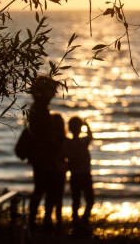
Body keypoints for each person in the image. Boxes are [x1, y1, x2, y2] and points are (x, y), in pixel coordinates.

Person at [25, 75, 59, 232]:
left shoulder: (36, 108)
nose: (54, 94)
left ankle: (37, 221)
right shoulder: (40, 110)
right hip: (44, 157)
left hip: (40, 157)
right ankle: (41, 222)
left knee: (42, 188)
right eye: (52, 91)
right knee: (47, 189)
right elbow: (45, 137)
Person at [61, 116, 94, 226]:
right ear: (80, 128)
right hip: (85, 174)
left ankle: (75, 220)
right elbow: (90, 135)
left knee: (76, 200)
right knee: (89, 199)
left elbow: (63, 154)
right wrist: (87, 125)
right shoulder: (83, 141)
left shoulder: (67, 143)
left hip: (74, 175)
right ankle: (84, 219)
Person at [49, 113, 67, 229]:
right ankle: (58, 223)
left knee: (50, 198)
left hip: (51, 171)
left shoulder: (49, 139)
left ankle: (48, 222)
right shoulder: (63, 139)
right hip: (60, 171)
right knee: (58, 198)